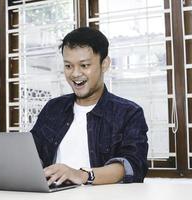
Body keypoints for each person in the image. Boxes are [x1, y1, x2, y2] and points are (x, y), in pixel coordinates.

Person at [30, 27, 148, 186]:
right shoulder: (53, 108)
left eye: (84, 65)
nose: (75, 74)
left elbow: (132, 165)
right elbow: (30, 154)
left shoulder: (129, 113)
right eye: (68, 66)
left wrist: (82, 175)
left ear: (104, 64)